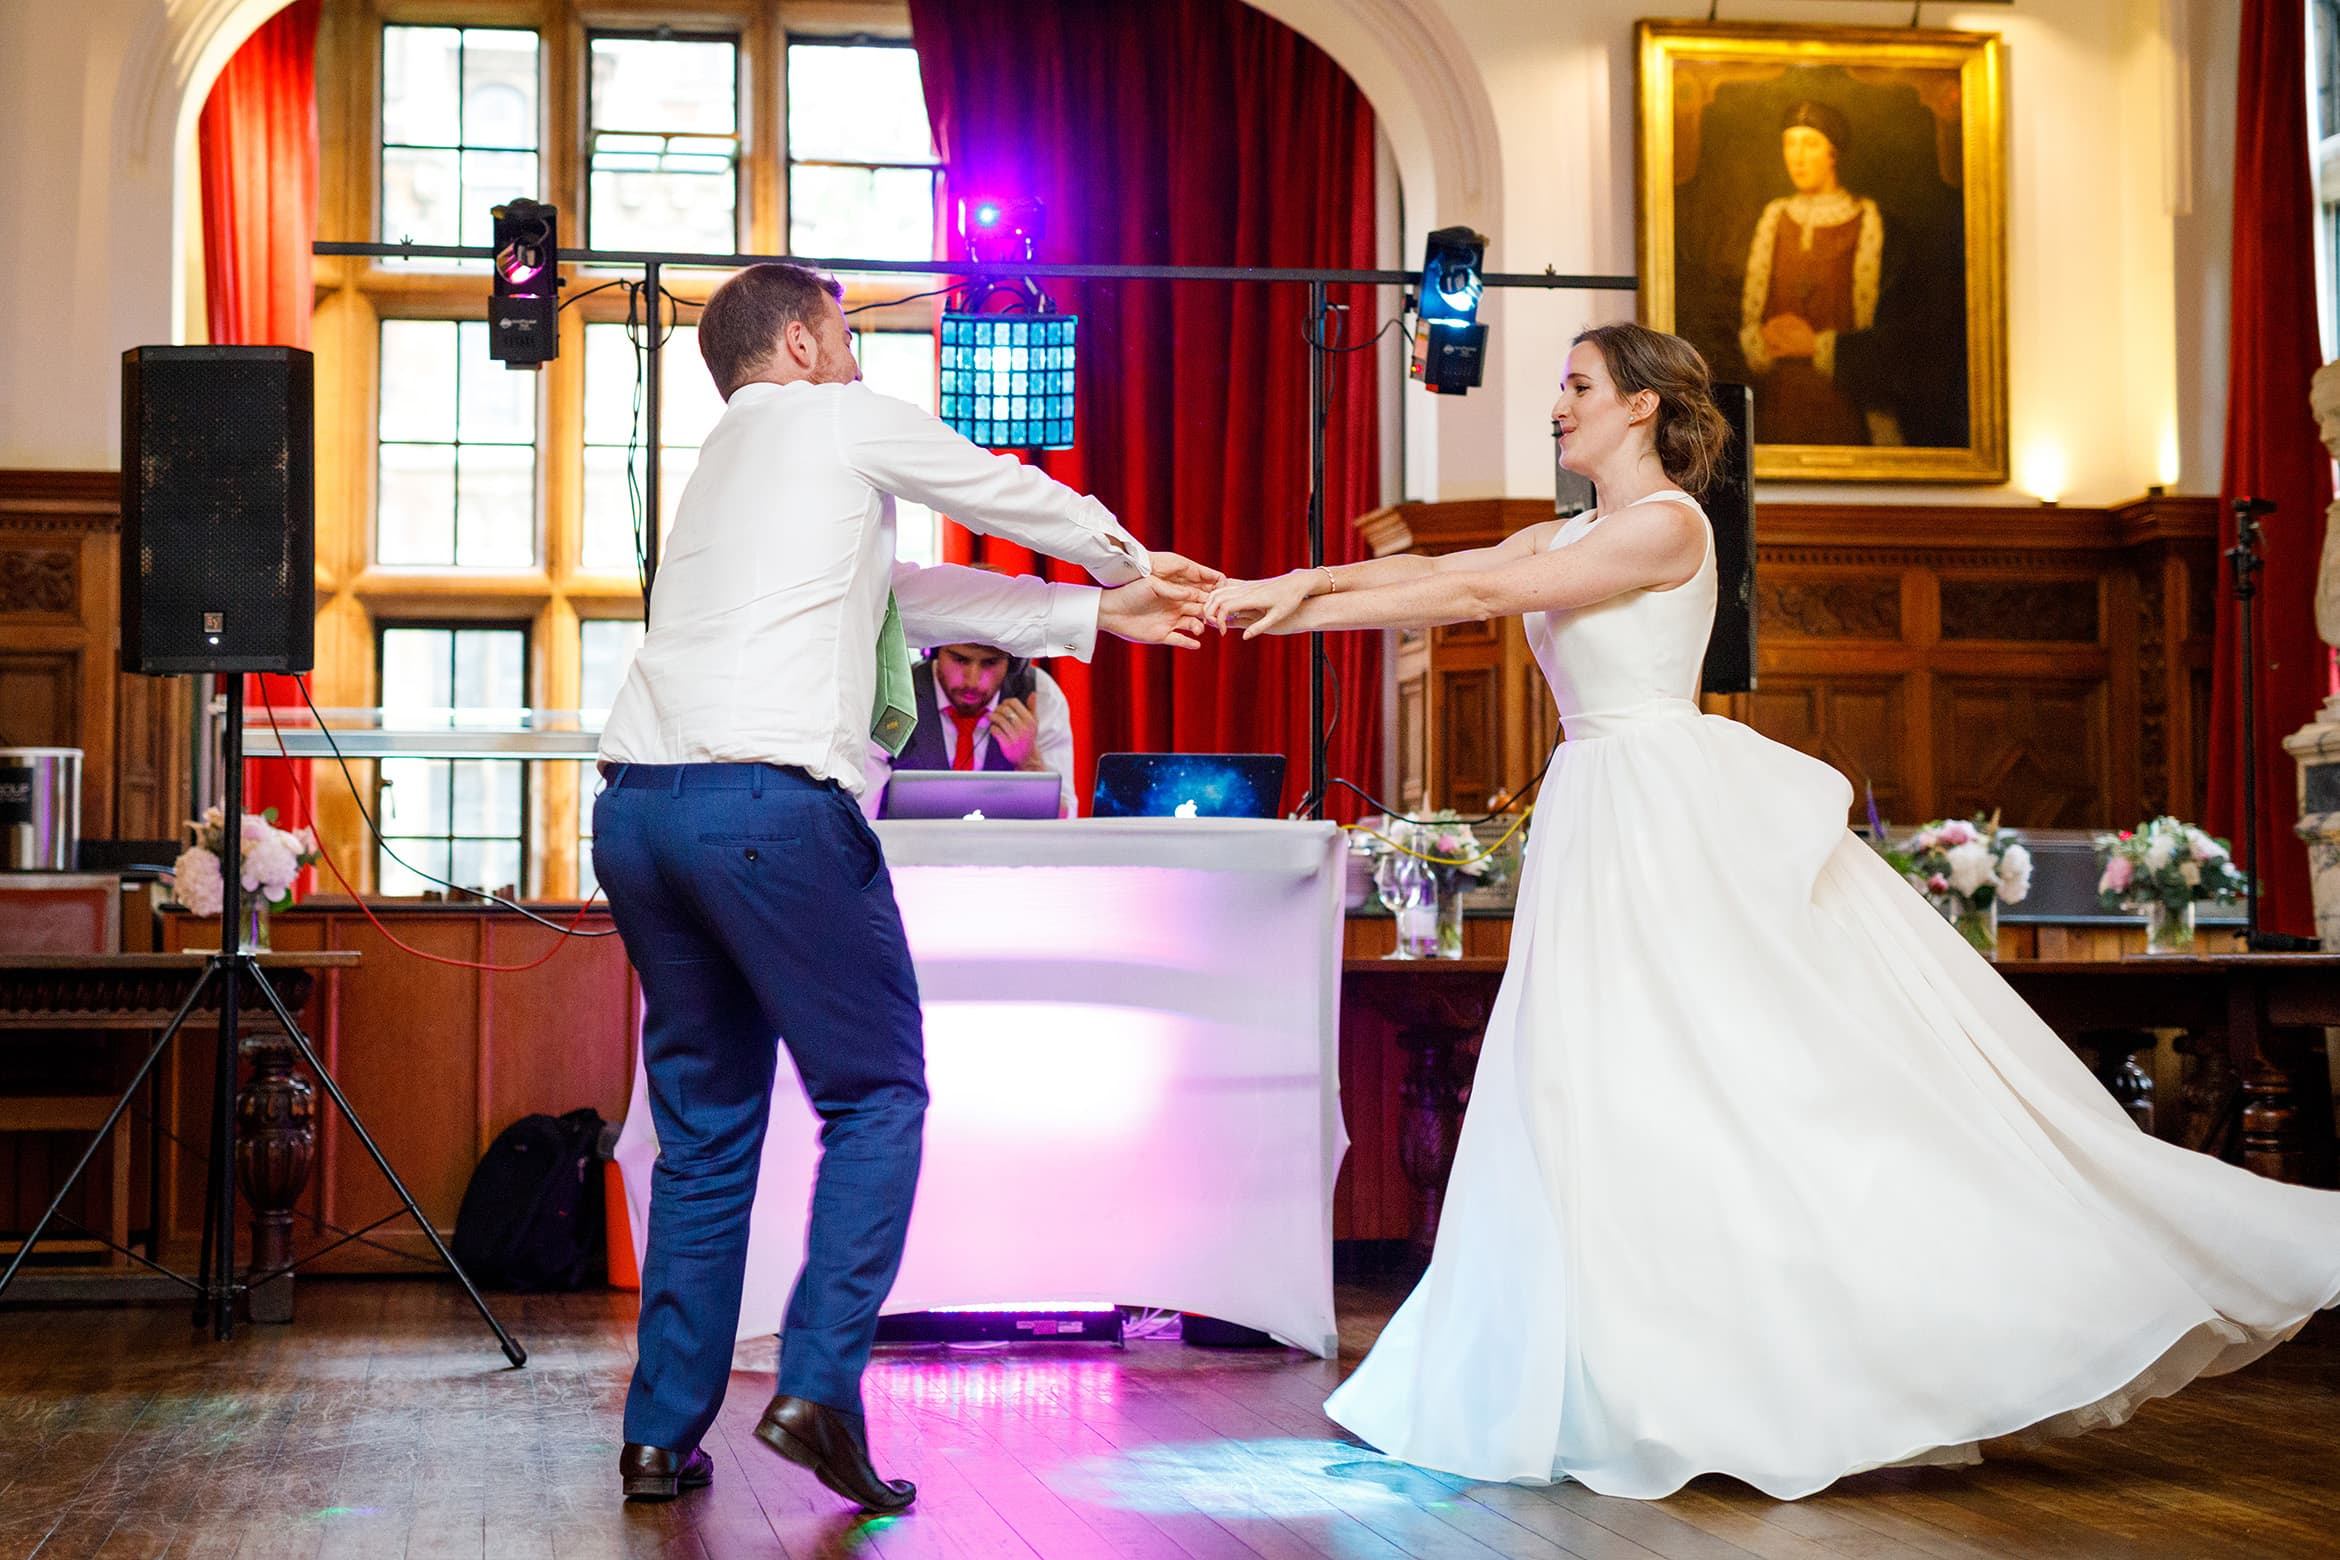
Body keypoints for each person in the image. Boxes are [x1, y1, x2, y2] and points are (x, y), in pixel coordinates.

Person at [1203, 321, 2340, 1500]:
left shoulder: (1667, 525)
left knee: (1715, 1073)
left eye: (1576, 384)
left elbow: (1481, 587)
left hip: (1658, 818)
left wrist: (1285, 599)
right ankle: (1606, 1365)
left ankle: (1802, 1348)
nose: (1558, 403)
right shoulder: (1585, 526)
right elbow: (1430, 573)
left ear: (1640, 407)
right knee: (1583, 1087)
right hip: (1601, 811)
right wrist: (1272, 592)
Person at [593, 262, 1218, 1513]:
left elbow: (907, 598)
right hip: (767, 811)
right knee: (878, 1094)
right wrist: (1135, 560)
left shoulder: (720, 471)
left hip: (639, 814)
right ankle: (819, 1382)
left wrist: (1102, 620)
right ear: (804, 346)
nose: (859, 356)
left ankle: (662, 1435)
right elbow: (1005, 491)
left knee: (708, 1135)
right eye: (844, 332)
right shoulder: (836, 418)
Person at [1739, 100, 1897, 447]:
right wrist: (1762, 339)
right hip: (1778, 403)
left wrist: (1816, 345)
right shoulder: (1775, 218)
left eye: (1810, 144)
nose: (1797, 157)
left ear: (1833, 153)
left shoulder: (1867, 220)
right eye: (1789, 144)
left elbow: (1897, 337)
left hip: (1843, 401)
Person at [861, 642, 1080, 819]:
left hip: (1005, 863)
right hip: (906, 860)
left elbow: (1066, 822)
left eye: (990, 662)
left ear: (1014, 663)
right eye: (960, 659)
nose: (972, 680)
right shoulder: (895, 696)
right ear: (933, 650)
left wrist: (1029, 763)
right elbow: (862, 810)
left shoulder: (1041, 696)